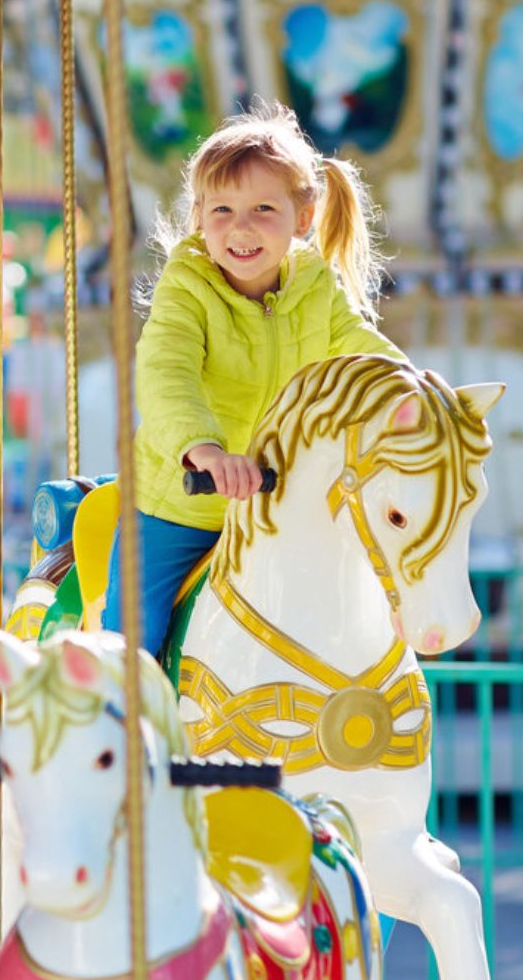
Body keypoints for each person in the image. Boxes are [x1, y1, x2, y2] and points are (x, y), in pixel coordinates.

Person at [114, 99, 405, 657]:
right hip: (182, 507)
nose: (240, 229)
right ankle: (120, 724)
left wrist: (417, 393)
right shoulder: (188, 287)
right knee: (133, 638)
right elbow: (166, 371)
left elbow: (362, 353)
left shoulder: (316, 287)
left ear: (303, 216)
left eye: (262, 209)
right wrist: (206, 452)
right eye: (221, 210)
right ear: (198, 215)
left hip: (281, 510)